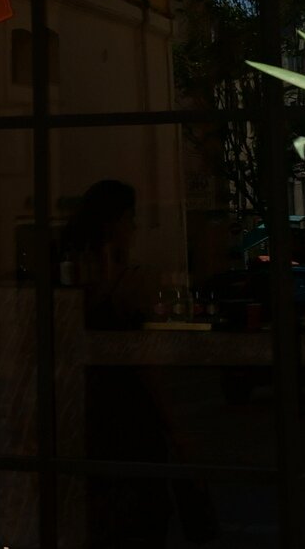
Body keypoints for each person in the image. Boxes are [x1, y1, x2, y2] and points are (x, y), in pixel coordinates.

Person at [61, 180, 219, 546]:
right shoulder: (126, 284)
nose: (134, 228)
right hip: (128, 419)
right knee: (140, 513)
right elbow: (146, 365)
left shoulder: (80, 279)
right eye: (130, 219)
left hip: (95, 414)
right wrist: (176, 431)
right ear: (115, 223)